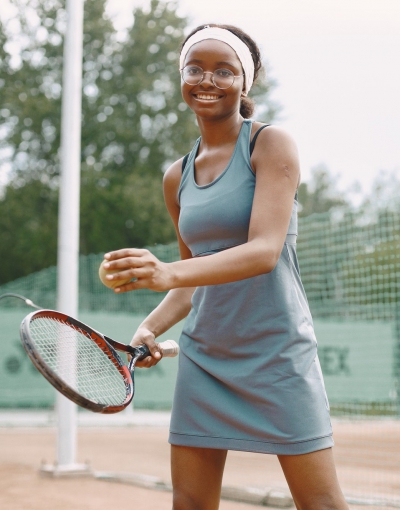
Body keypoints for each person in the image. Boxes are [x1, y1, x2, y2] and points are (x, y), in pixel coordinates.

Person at [102, 23, 348, 510]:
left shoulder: (270, 145)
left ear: (244, 81)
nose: (207, 80)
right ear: (181, 78)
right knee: (190, 502)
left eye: (223, 70)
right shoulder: (176, 176)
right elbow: (193, 280)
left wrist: (169, 271)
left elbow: (263, 251)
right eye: (195, 68)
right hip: (204, 358)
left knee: (321, 504)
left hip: (278, 354)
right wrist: (147, 328)